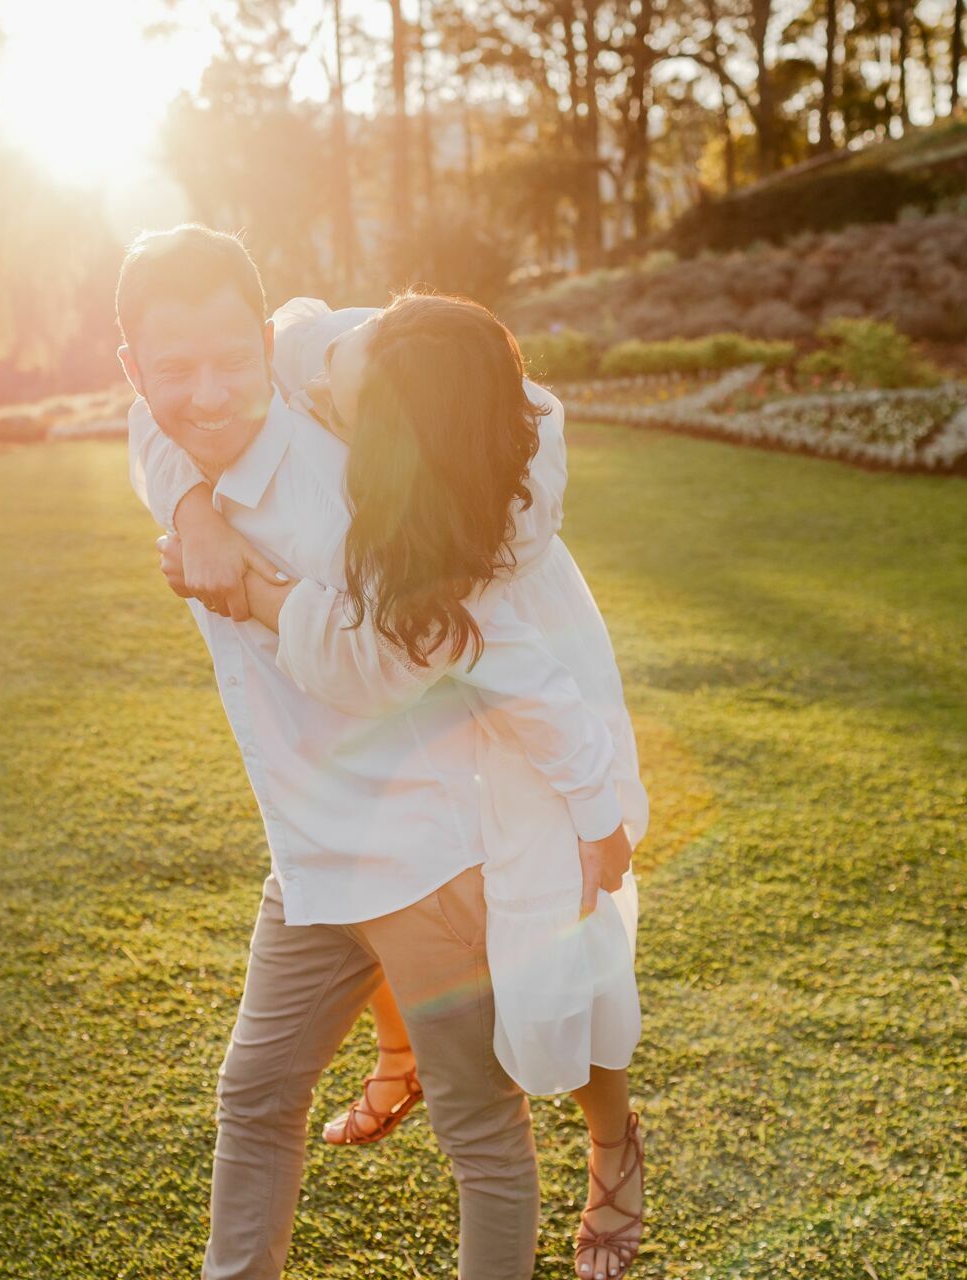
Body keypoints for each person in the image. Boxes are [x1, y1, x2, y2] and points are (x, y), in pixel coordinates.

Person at [116, 224, 634, 1280]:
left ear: (266, 345)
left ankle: (609, 1152)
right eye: (174, 368)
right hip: (310, 858)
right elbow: (153, 421)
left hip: (425, 860)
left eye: (230, 361)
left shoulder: (366, 499)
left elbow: (482, 656)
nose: (206, 395)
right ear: (133, 366)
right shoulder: (207, 419)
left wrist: (598, 808)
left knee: (478, 1131)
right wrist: (191, 505)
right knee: (256, 1095)